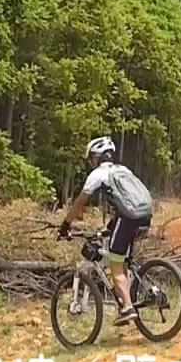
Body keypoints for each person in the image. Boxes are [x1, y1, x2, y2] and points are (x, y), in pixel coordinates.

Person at [59, 137, 153, 326]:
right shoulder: (123, 170)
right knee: (122, 260)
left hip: (128, 219)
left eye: (91, 158)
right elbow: (125, 203)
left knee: (114, 264)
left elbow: (80, 202)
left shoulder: (98, 174)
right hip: (145, 215)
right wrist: (109, 229)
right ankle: (130, 299)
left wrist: (65, 225)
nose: (91, 162)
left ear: (96, 157)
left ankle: (127, 308)